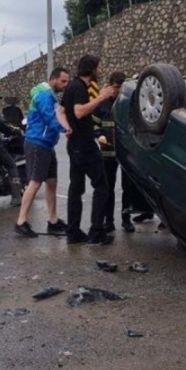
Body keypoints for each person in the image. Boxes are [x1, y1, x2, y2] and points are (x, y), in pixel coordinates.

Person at [62, 54, 118, 245]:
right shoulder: (79, 87)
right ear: (92, 69)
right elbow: (79, 112)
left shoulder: (72, 85)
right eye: (99, 67)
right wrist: (102, 97)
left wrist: (66, 127)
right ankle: (96, 232)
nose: (100, 71)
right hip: (85, 146)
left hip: (74, 145)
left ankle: (73, 232)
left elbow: (61, 111)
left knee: (75, 189)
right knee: (102, 187)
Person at [14, 67, 72, 238]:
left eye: (67, 81)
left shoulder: (50, 95)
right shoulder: (44, 95)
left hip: (47, 144)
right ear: (53, 79)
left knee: (52, 181)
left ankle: (53, 221)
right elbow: (50, 118)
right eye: (63, 81)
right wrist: (67, 129)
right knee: (35, 182)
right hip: (37, 143)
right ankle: (21, 222)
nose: (66, 85)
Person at [94, 71, 126, 233]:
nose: (118, 91)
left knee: (129, 187)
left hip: (127, 153)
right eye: (116, 87)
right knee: (108, 187)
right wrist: (99, 135)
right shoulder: (102, 103)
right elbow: (94, 123)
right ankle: (109, 220)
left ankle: (126, 219)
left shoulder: (128, 103)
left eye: (121, 87)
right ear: (110, 86)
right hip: (108, 152)